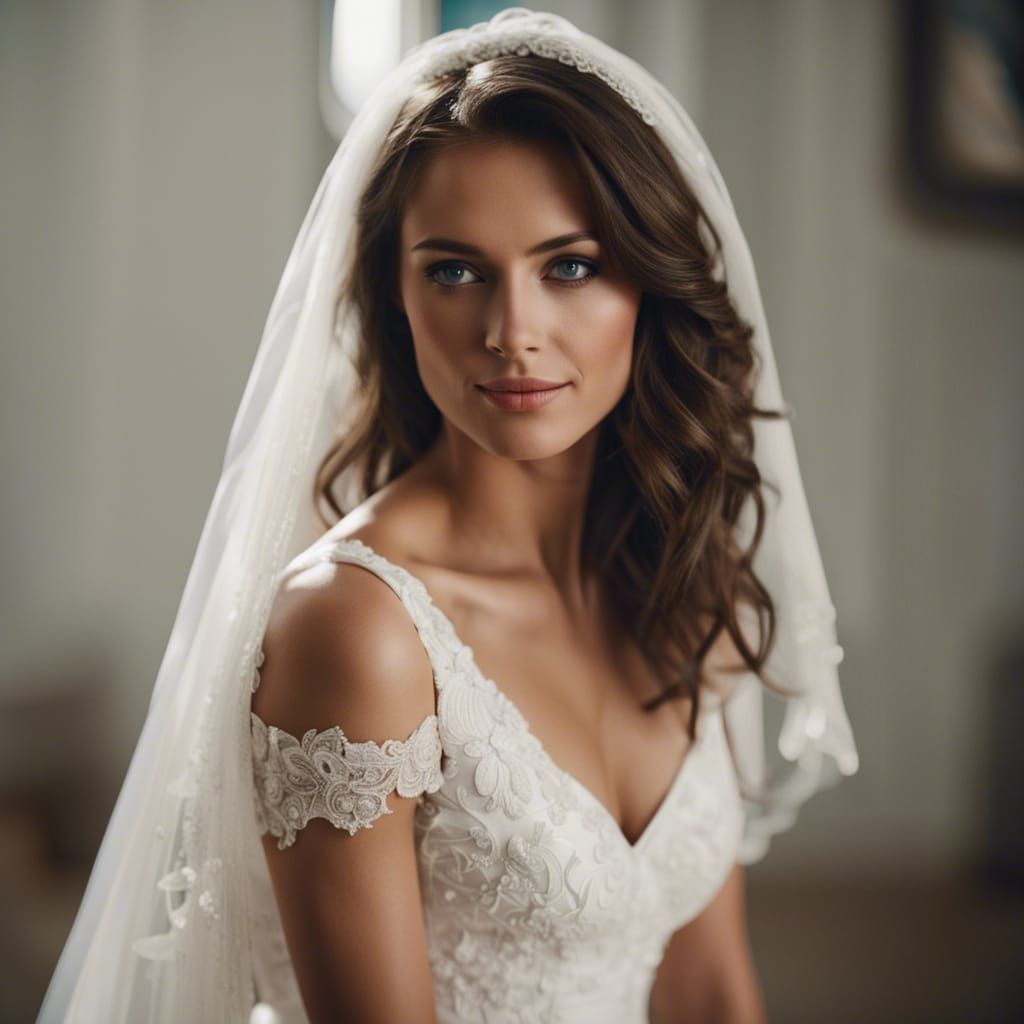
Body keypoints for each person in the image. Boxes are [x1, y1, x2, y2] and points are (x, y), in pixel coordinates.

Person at [37, 9, 858, 1024]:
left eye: (570, 265)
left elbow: (708, 984)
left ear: (648, 286)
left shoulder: (681, 582)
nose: (512, 333)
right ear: (396, 299)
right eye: (456, 271)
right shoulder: (359, 632)